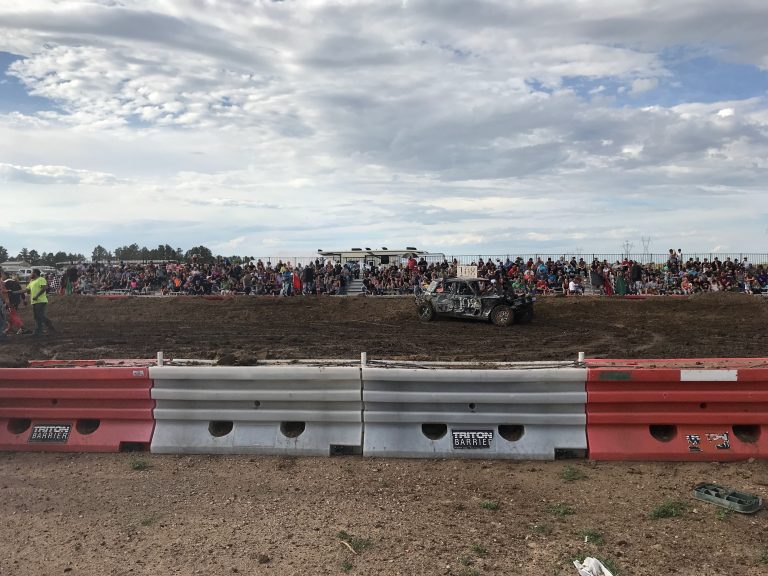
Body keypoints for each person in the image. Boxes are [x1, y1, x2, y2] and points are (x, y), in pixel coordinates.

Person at [26, 269, 55, 337]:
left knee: (40, 316)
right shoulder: (32, 281)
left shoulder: (41, 279)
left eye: (32, 273)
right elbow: (26, 289)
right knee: (37, 317)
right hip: (34, 301)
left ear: (35, 273)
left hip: (40, 301)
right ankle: (40, 330)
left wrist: (37, 296)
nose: (30, 274)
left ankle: (41, 330)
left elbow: (45, 288)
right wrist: (14, 292)